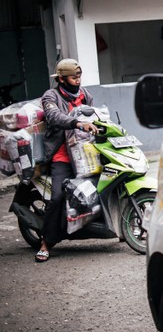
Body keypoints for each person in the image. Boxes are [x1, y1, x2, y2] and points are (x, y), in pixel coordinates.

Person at [35, 59, 98, 262]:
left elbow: (95, 116)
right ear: (61, 79)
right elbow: (54, 116)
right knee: (57, 197)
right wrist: (77, 123)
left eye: (79, 76)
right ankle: (46, 243)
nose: (77, 80)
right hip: (62, 156)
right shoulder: (50, 96)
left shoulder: (85, 94)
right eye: (73, 77)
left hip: (84, 153)